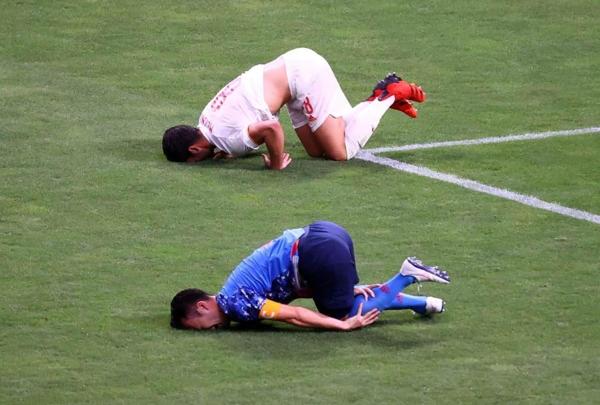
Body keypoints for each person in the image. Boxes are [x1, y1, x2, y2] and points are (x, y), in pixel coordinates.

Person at [162, 48, 426, 170]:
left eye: (194, 161)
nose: (200, 162)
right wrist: (228, 149)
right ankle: (378, 97)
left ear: (194, 149)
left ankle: (388, 93)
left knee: (339, 152)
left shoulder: (226, 139)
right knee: (316, 151)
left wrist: (276, 163)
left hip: (304, 76)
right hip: (292, 79)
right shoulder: (205, 121)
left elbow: (271, 128)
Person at [170, 221, 450, 331]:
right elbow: (292, 287)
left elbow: (293, 315)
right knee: (351, 297)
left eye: (200, 326)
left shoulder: (235, 304)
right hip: (325, 233)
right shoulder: (234, 287)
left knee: (343, 313)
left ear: (202, 306)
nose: (209, 330)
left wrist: (341, 325)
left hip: (317, 253)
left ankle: (406, 275)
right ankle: (423, 304)